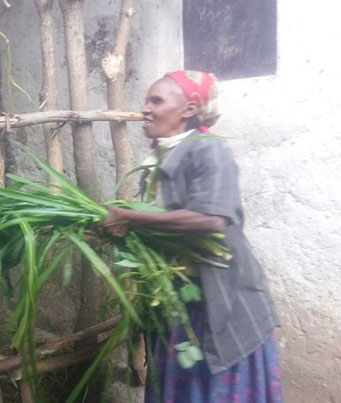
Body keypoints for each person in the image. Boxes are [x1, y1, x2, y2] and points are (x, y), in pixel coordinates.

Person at [102, 71, 283, 402]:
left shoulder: (208, 151)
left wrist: (130, 217)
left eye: (156, 100)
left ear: (189, 108)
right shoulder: (163, 158)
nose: (145, 109)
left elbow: (211, 219)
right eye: (146, 101)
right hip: (178, 303)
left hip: (218, 301)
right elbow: (160, 225)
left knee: (217, 384)